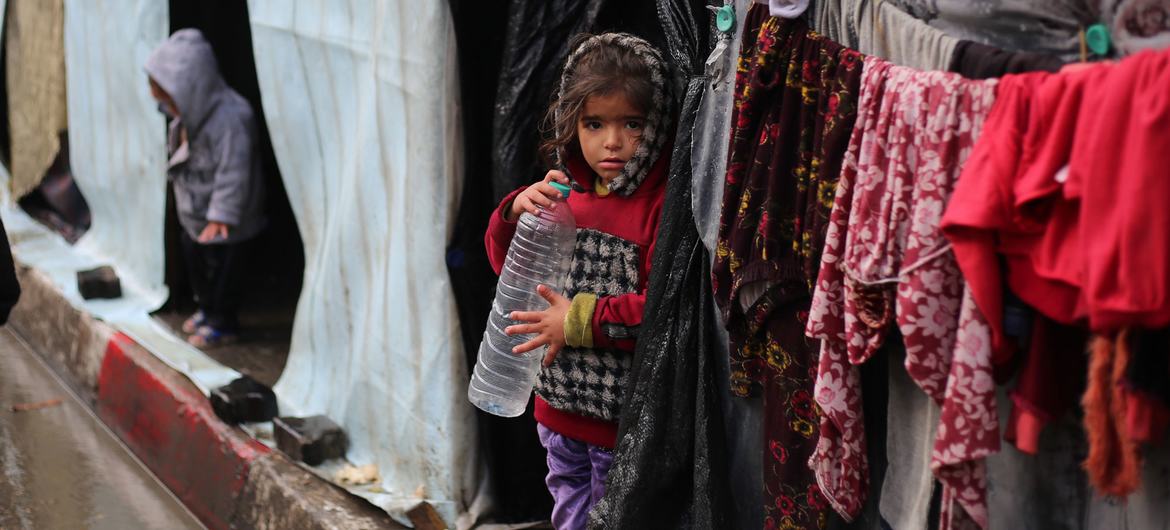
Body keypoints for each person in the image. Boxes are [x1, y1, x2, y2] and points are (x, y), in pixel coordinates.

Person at [484, 33, 676, 529]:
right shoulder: (559, 198)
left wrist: (577, 319)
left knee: (618, 515)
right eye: (594, 124)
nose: (611, 142)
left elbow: (660, 309)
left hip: (623, 421)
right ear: (573, 126)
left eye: (631, 124)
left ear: (656, 127)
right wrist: (513, 212)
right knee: (568, 502)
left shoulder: (659, 209)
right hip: (556, 409)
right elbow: (510, 272)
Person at [145, 29, 266, 347]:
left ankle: (223, 322)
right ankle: (207, 309)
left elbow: (234, 172)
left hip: (229, 221)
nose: (169, 109)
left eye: (171, 100)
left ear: (191, 88)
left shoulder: (232, 119)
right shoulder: (187, 118)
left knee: (226, 273)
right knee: (198, 264)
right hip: (197, 215)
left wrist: (222, 215)